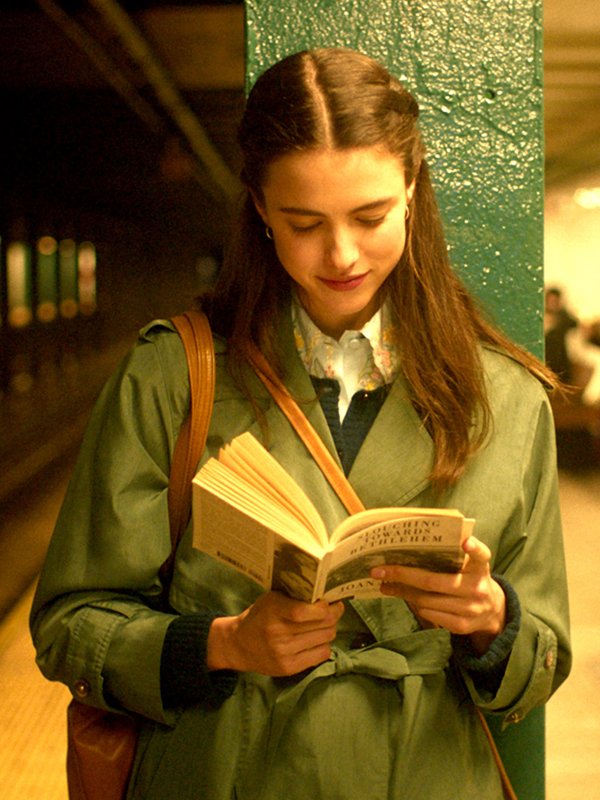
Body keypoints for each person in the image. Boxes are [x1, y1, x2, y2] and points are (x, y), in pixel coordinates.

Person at [30, 48, 571, 799]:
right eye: (305, 222)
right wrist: (222, 644)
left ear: (412, 189)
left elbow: (544, 656)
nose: (342, 254)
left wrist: (489, 621)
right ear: (258, 208)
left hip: (425, 772)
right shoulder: (174, 377)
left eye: (371, 215)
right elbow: (69, 625)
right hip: (227, 770)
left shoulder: (506, 396)